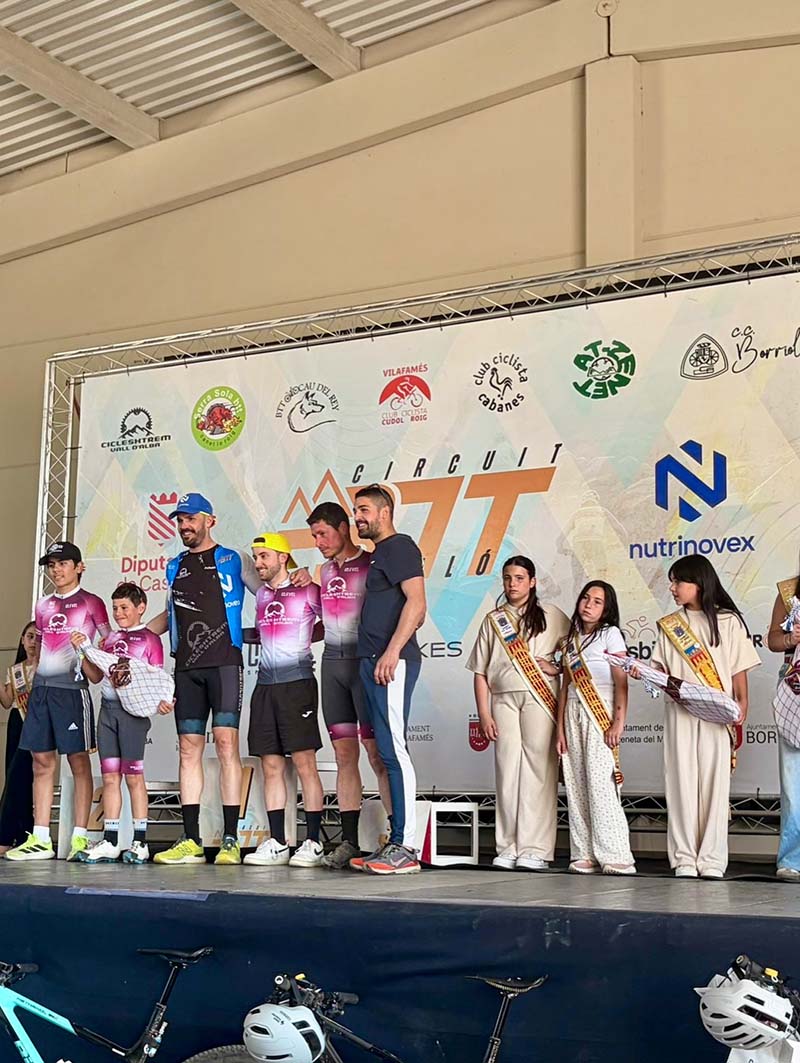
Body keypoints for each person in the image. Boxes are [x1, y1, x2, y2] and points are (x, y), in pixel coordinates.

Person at [149, 493, 260, 866]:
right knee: (188, 749)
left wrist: (298, 581)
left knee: (227, 746)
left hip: (224, 663)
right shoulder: (174, 565)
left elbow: (269, 592)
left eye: (191, 518)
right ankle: (191, 839)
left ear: (209, 520)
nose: (184, 526)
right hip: (187, 667)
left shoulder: (233, 559)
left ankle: (230, 839)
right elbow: (169, 616)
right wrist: (133, 637)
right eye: (180, 520)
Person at [649, 555, 760, 879]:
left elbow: (739, 672)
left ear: (698, 583)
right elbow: (659, 671)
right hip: (680, 713)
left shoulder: (729, 622)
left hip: (716, 714)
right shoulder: (670, 626)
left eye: (678, 582)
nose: (673, 588)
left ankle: (711, 859)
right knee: (680, 782)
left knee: (714, 785)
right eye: (672, 582)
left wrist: (741, 706)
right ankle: (684, 858)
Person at [6, 542, 110, 862]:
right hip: (42, 690)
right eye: (51, 565)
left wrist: (88, 656)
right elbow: (41, 647)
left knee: (78, 761)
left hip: (72, 690)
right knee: (40, 761)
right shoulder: (43, 605)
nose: (56, 570)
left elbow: (109, 642)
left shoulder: (91, 602)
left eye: (63, 563)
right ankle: (40, 838)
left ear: (79, 567)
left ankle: (80, 836)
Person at [466, 556, 568, 871]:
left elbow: (577, 653)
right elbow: (480, 671)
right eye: (508, 578)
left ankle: (535, 848)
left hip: (540, 697)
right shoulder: (493, 620)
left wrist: (556, 666)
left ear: (532, 582)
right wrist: (483, 714)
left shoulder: (552, 615)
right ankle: (508, 845)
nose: (513, 584)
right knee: (507, 770)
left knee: (539, 770)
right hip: (503, 699)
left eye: (520, 578)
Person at [306, 501, 391, 870]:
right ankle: (350, 842)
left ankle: (397, 838)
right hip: (332, 665)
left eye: (323, 534)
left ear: (343, 528)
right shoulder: (324, 571)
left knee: (377, 754)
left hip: (363, 664)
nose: (319, 542)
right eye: (314, 536)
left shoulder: (371, 563)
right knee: (344, 756)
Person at [350, 485, 426, 875]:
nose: (357, 517)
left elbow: (418, 602)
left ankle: (406, 847)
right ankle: (395, 842)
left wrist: (393, 651)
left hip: (389, 662)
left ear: (384, 512)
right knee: (382, 752)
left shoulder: (399, 546)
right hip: (371, 661)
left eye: (364, 510)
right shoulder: (380, 553)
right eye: (355, 510)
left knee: (394, 751)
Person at [243, 533, 326, 868]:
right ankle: (278, 842)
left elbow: (333, 620)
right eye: (256, 557)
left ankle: (314, 842)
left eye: (264, 556)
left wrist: (303, 637)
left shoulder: (306, 588)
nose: (258, 563)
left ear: (282, 557)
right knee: (271, 765)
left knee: (305, 763)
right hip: (265, 686)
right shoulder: (263, 594)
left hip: (298, 684)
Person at [73, 583, 169, 864]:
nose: (118, 613)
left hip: (133, 716)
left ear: (141, 607)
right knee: (110, 777)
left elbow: (156, 681)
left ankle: (140, 842)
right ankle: (111, 841)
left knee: (134, 777)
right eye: (115, 608)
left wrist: (163, 703)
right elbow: (95, 676)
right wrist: (82, 652)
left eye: (124, 607)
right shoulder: (109, 639)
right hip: (107, 712)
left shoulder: (151, 639)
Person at [556, 581, 635, 875]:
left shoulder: (610, 634)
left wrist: (618, 722)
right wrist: (560, 730)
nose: (589, 605)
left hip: (600, 712)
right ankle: (584, 853)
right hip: (572, 713)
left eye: (597, 601)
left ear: (606, 608)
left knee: (601, 784)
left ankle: (616, 854)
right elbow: (565, 685)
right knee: (576, 784)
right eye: (586, 598)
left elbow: (621, 682)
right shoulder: (570, 640)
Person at [766, 574, 800, 881]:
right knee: (793, 779)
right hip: (795, 684)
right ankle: (792, 859)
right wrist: (791, 638)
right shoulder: (790, 592)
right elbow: (773, 640)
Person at [0, 622, 36, 854]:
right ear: (22, 640)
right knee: (13, 775)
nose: (33, 642)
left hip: (35, 722)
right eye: (29, 636)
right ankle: (22, 833)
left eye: (37, 637)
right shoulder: (16, 670)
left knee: (20, 776)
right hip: (16, 721)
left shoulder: (46, 667)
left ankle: (5, 834)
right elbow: (6, 702)